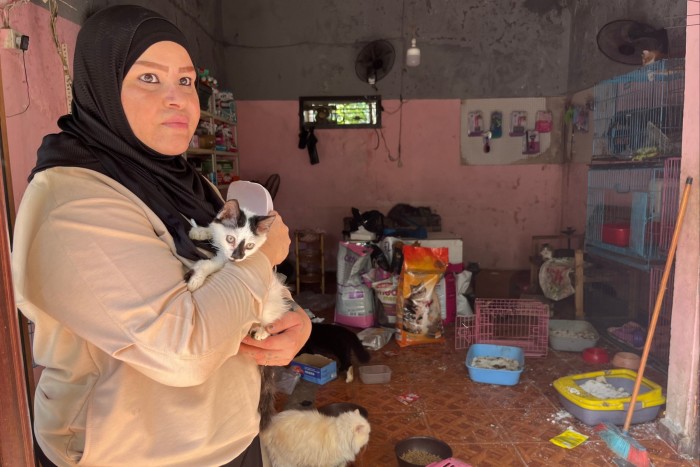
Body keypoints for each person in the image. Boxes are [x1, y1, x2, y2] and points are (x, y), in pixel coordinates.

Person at [11, 5, 310, 466]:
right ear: (103, 87)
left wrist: (291, 319)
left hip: (230, 436)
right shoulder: (71, 202)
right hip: (134, 456)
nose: (177, 99)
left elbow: (228, 283)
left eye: (186, 81)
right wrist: (263, 256)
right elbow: (183, 351)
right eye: (149, 78)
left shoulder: (187, 182)